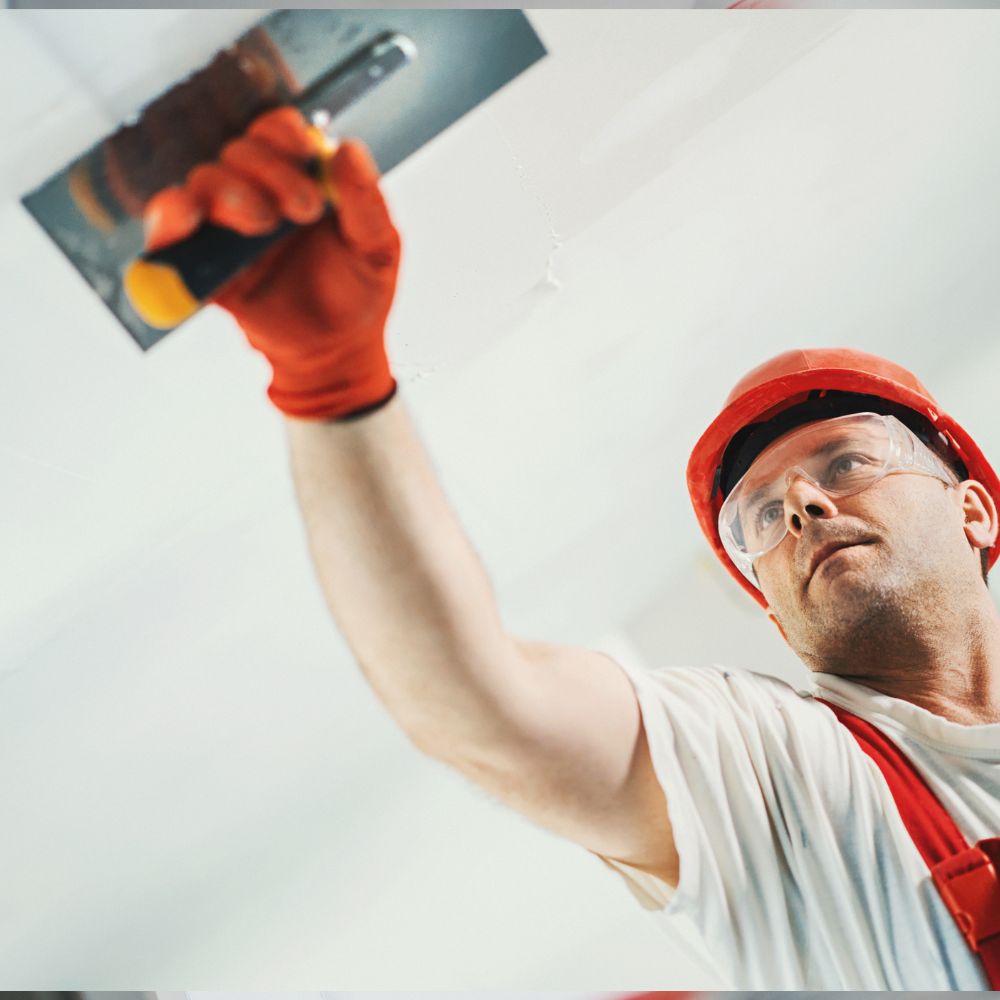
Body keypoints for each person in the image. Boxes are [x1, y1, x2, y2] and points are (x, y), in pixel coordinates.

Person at [144, 107, 1000, 991]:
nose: (804, 504)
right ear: (777, 619)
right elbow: (483, 705)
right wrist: (331, 377)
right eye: (761, 518)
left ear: (975, 511)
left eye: (849, 459)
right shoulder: (768, 763)